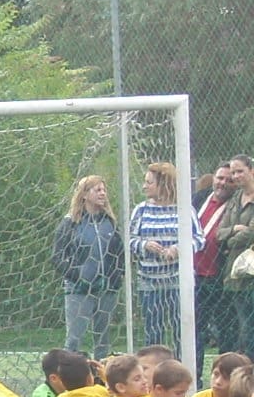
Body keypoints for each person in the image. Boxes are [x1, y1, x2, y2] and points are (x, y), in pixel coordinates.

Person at [128, 162, 197, 350]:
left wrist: (178, 249)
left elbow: (199, 238)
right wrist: (145, 245)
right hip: (149, 282)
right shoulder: (141, 210)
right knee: (153, 332)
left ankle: (183, 365)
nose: (144, 186)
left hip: (178, 282)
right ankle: (154, 366)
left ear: (164, 184)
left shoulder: (184, 209)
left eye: (149, 182)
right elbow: (129, 239)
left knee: (181, 331)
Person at [54, 175, 124, 359]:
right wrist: (78, 276)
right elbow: (57, 257)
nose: (102, 193)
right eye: (97, 190)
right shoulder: (70, 223)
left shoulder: (109, 221)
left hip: (106, 289)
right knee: (74, 339)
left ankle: (101, 373)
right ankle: (67, 372)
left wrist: (116, 278)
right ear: (84, 194)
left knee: (103, 339)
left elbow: (119, 253)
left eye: (104, 190)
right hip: (79, 290)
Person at [193, 158, 243, 371]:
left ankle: (225, 376)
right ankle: (193, 375)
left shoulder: (236, 205)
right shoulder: (199, 199)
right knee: (195, 329)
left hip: (221, 277)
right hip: (196, 276)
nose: (223, 183)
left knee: (226, 330)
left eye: (229, 180)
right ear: (213, 177)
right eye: (220, 178)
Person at [217, 161, 254, 358]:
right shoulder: (235, 199)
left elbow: (251, 233)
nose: (236, 176)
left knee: (250, 330)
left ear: (251, 171)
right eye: (234, 172)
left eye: (240, 171)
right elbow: (219, 232)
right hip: (236, 275)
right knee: (243, 330)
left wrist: (230, 240)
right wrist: (234, 230)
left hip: (251, 273)